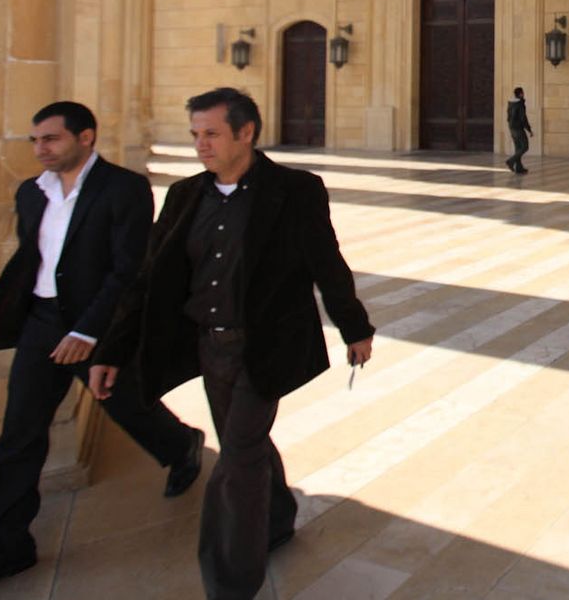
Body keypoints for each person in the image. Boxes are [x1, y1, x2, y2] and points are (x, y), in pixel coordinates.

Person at [89, 87, 374, 600]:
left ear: (246, 133)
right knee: (247, 443)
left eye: (212, 133)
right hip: (207, 346)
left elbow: (325, 263)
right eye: (196, 134)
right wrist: (111, 350)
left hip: (264, 346)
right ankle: (280, 516)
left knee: (236, 463)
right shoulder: (184, 197)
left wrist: (354, 328)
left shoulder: (295, 190)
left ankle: (229, 584)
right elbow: (148, 280)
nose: (201, 144)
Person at [0, 103, 204, 598]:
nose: (41, 149)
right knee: (18, 438)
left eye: (51, 139)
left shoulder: (123, 188)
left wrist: (87, 332)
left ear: (85, 138)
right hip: (42, 326)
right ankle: (1, 551)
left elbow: (128, 268)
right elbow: (37, 262)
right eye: (36, 140)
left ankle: (180, 445)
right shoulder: (30, 193)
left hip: (99, 327)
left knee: (125, 402)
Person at [504, 86, 532, 174]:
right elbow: (523, 118)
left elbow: (508, 116)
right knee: (525, 146)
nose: (523, 94)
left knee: (518, 148)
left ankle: (519, 168)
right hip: (518, 128)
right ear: (520, 94)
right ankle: (511, 161)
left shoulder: (510, 103)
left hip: (511, 128)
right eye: (522, 93)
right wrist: (529, 129)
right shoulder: (520, 104)